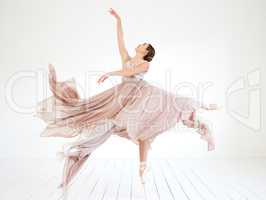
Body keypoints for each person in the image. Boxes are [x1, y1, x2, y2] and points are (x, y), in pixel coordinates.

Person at [35, 7, 219, 192]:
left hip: (141, 95)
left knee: (174, 104)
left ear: (146, 51)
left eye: (144, 44)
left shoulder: (145, 64)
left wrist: (111, 73)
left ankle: (201, 117)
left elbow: (129, 72)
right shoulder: (127, 58)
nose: (141, 44)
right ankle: (133, 164)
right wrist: (118, 20)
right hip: (123, 96)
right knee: (94, 112)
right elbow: (120, 41)